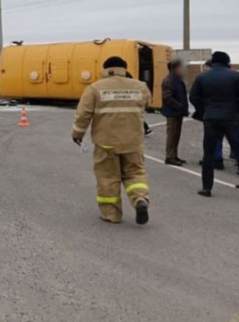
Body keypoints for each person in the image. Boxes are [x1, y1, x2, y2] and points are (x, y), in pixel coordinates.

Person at [73, 56, 152, 225]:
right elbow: (147, 104)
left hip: (106, 143)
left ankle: (111, 214)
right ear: (124, 68)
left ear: (105, 69)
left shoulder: (95, 88)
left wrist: (77, 134)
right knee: (135, 173)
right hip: (133, 142)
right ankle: (140, 200)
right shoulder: (140, 87)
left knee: (108, 177)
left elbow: (83, 115)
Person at [189, 51, 239, 202]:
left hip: (210, 118)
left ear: (213, 62)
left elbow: (193, 97)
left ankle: (206, 188)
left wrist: (205, 110)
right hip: (232, 118)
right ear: (227, 62)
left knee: (208, 153)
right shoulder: (236, 76)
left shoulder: (203, 76)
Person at [196, 59, 225, 169]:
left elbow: (195, 97)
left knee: (213, 137)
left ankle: (215, 159)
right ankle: (215, 158)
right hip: (223, 114)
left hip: (211, 114)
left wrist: (202, 110)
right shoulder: (225, 79)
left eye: (206, 67)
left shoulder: (205, 80)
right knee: (217, 137)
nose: (204, 69)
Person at [161, 59, 190, 166]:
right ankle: (169, 156)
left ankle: (174, 155)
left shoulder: (178, 80)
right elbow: (167, 97)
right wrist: (180, 106)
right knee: (172, 134)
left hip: (178, 112)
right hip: (172, 112)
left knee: (176, 134)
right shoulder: (168, 80)